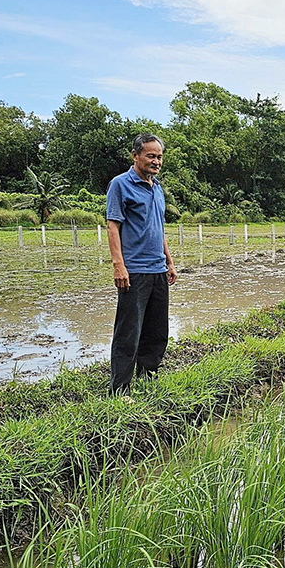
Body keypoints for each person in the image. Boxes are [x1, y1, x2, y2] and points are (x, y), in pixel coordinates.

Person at [106, 133, 178, 393]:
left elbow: (158, 228)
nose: (156, 161)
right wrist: (118, 265)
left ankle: (148, 377)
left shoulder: (157, 188)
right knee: (128, 333)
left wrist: (169, 262)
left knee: (157, 331)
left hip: (158, 269)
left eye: (159, 157)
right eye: (150, 155)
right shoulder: (120, 185)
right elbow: (113, 226)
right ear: (135, 155)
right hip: (134, 271)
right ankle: (120, 389)